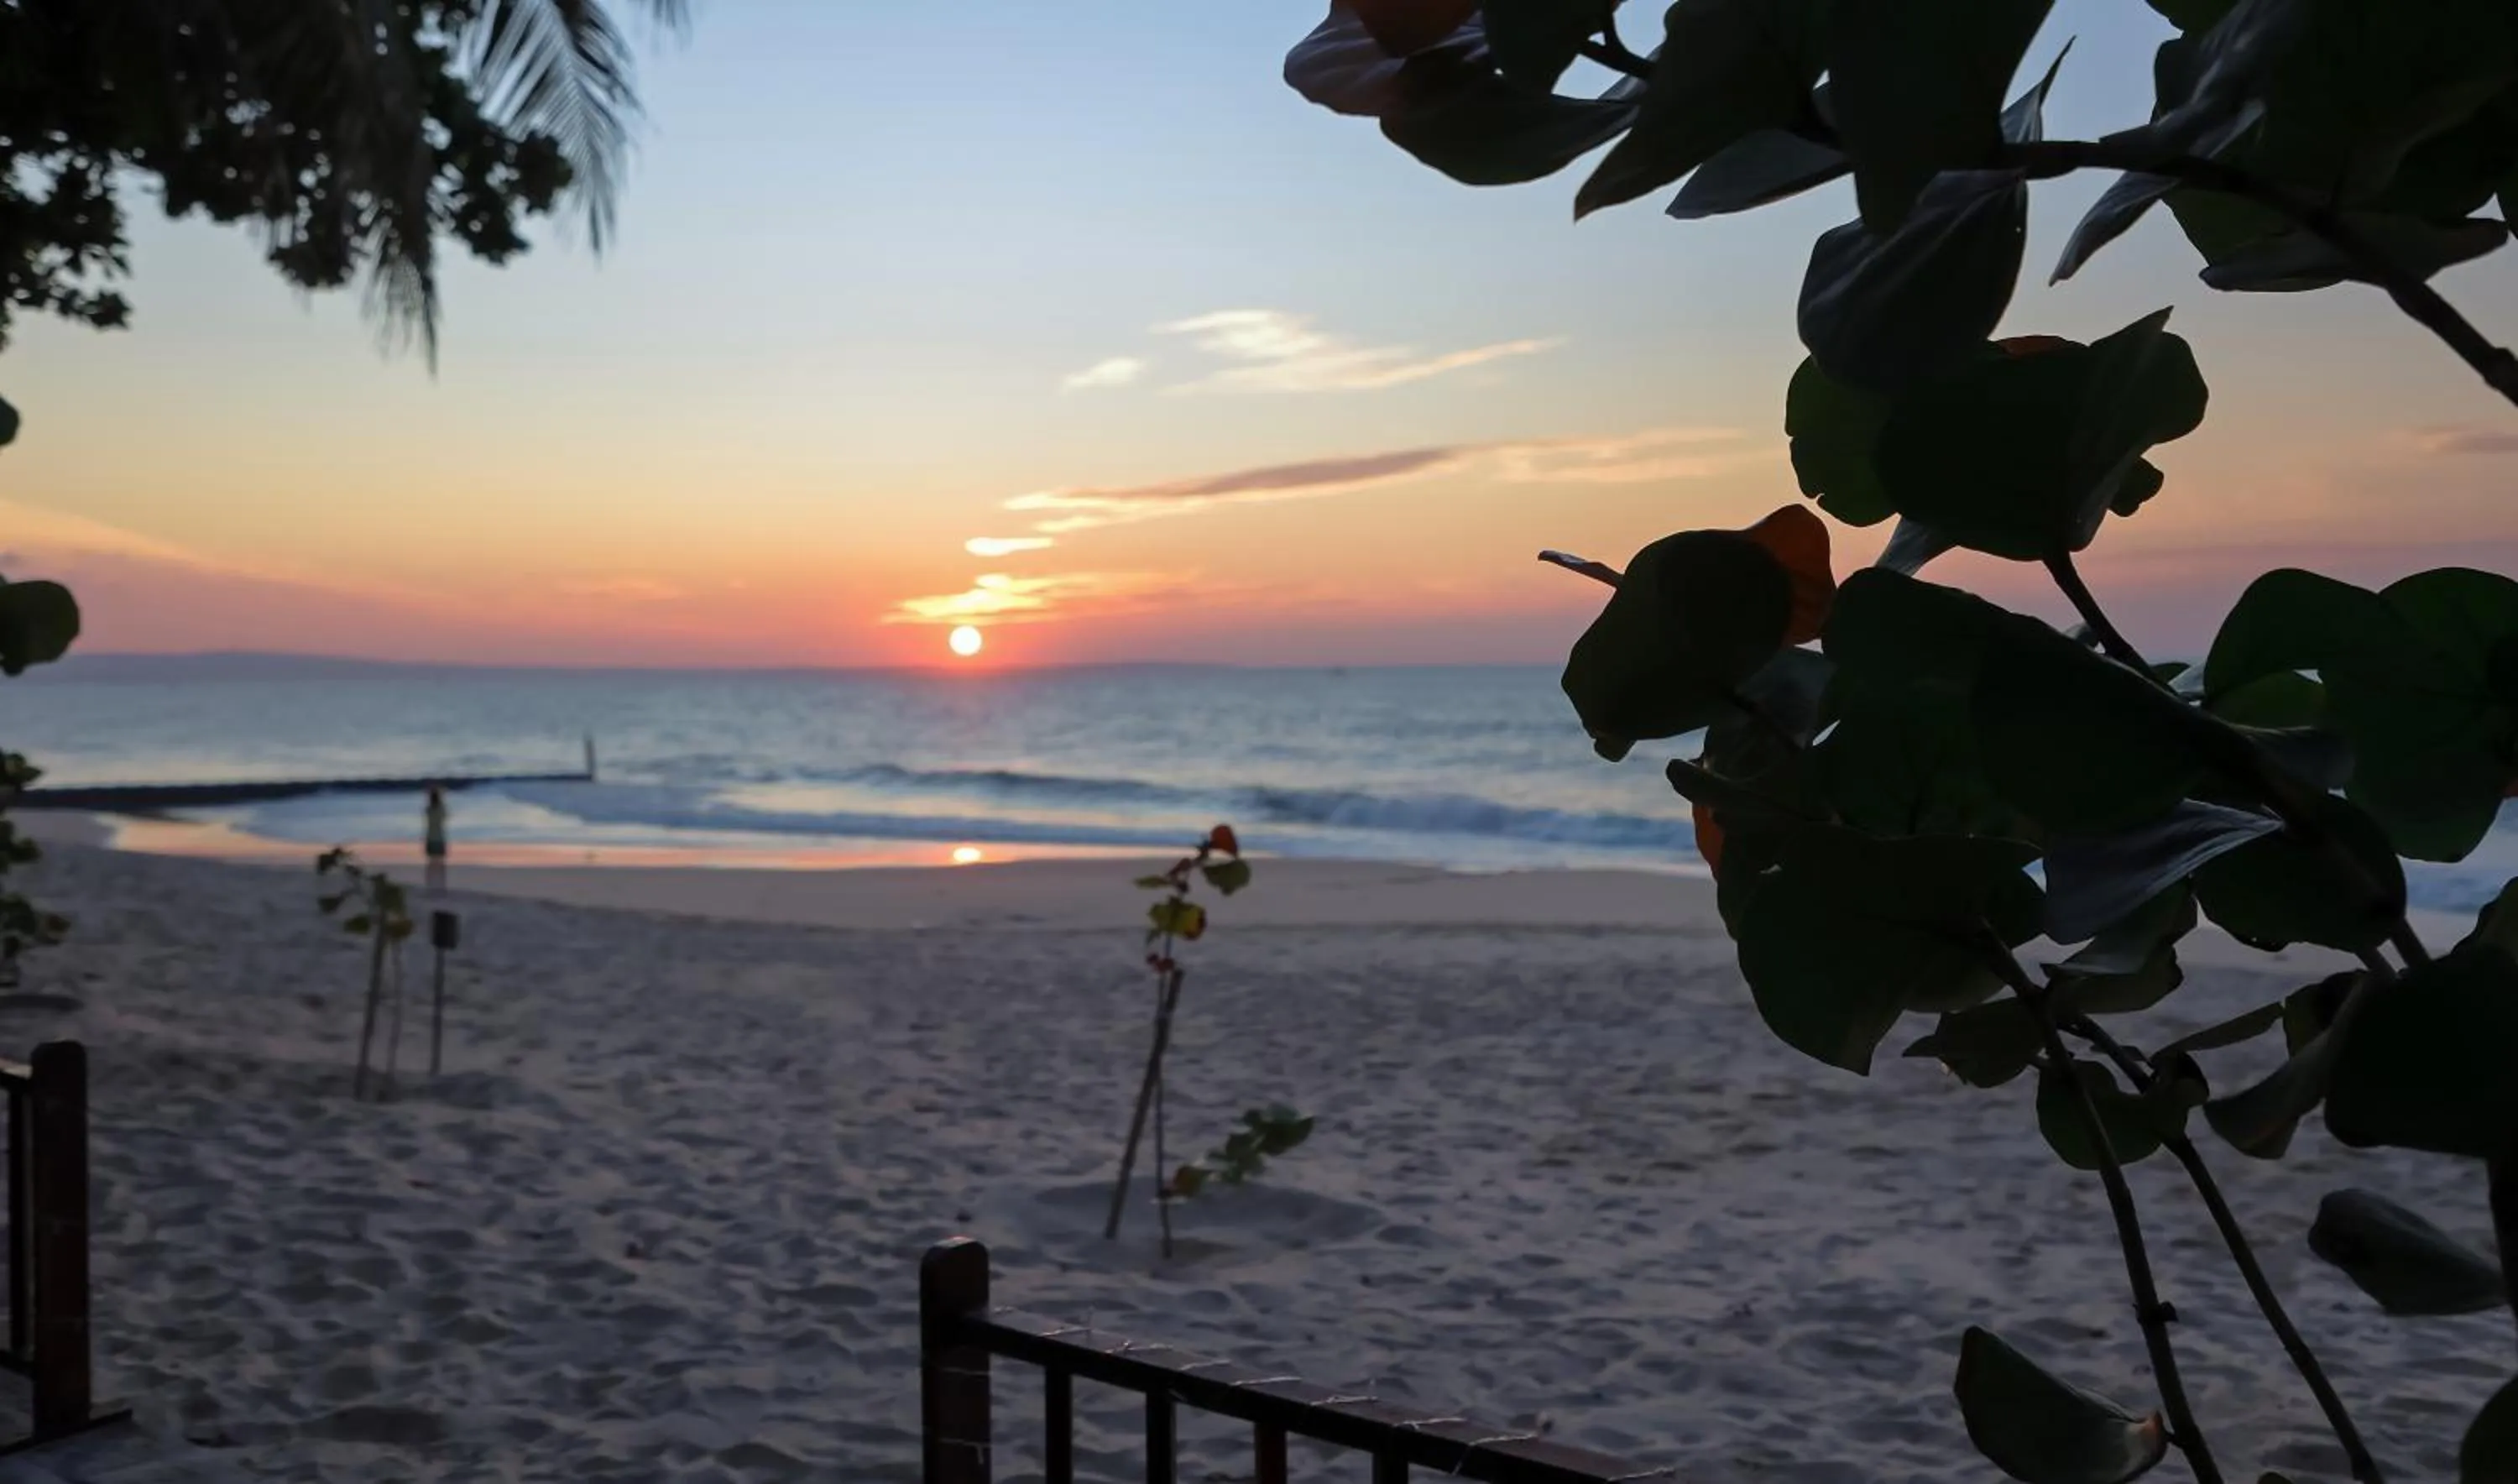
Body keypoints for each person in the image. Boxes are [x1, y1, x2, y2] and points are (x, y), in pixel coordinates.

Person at [424, 784, 449, 894]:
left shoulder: (429, 810)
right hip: (440, 838)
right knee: (441, 864)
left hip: (430, 837)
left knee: (431, 863)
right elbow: (445, 815)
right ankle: (441, 885)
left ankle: (429, 884)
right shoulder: (441, 810)